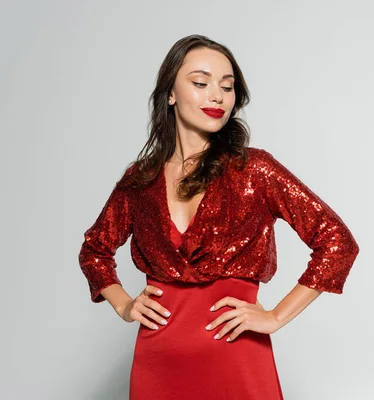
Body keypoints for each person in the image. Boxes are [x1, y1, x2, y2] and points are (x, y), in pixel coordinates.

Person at [78, 34, 359, 400]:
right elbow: (94, 250)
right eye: (200, 82)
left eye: (227, 88)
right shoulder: (140, 180)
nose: (217, 96)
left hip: (237, 358)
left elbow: (337, 242)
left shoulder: (254, 170)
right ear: (170, 93)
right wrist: (124, 305)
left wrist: (274, 317)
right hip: (157, 363)